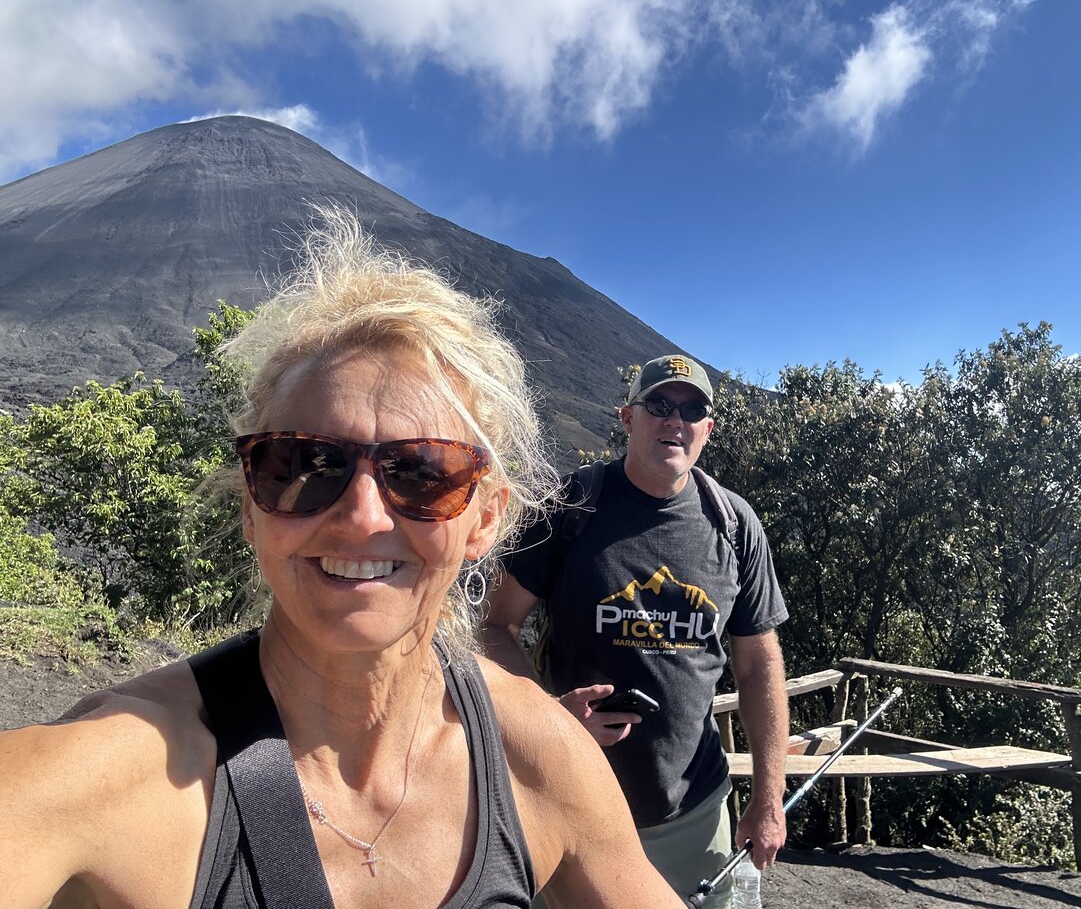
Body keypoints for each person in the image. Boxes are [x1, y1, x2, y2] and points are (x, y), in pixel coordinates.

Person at [0, 208, 687, 909]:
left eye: (422, 473)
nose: (362, 518)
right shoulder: (110, 773)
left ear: (485, 518)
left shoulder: (536, 754)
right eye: (304, 465)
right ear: (251, 506)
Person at [481, 354, 790, 907]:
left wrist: (768, 797)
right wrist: (548, 719)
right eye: (660, 405)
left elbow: (759, 664)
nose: (675, 420)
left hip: (692, 814)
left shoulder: (734, 525)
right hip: (567, 802)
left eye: (691, 411)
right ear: (628, 418)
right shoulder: (568, 505)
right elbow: (493, 625)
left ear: (707, 429)